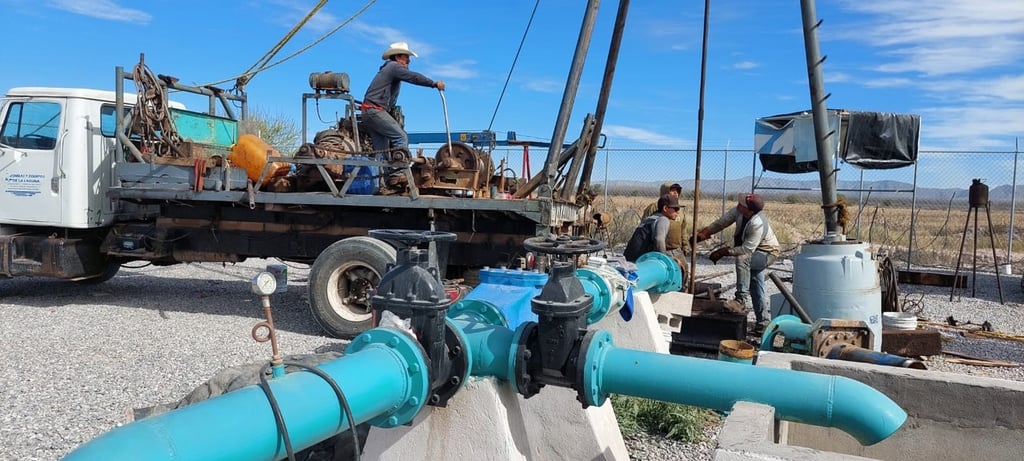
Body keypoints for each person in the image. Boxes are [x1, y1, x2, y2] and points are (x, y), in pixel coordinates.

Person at [693, 193, 780, 332]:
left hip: (767, 254)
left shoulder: (758, 223)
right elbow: (722, 222)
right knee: (755, 283)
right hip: (753, 251)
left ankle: (741, 300)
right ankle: (763, 323)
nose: (739, 205)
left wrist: (722, 252)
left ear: (750, 211)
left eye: (742, 205)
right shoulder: (739, 211)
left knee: (743, 259)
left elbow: (746, 249)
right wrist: (704, 234)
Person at [360, 41, 446, 157]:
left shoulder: (388, 69)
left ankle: (382, 174)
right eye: (406, 57)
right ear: (397, 57)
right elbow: (414, 77)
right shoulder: (394, 66)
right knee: (401, 137)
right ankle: (398, 173)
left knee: (382, 150)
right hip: (374, 110)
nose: (409, 60)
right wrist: (433, 83)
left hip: (368, 111)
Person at [641, 182, 690, 258]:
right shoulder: (653, 208)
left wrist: (685, 245)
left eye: (677, 191)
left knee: (683, 269)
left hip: (676, 250)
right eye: (672, 190)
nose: (676, 193)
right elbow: (644, 229)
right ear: (665, 191)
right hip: (657, 250)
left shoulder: (680, 210)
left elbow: (683, 229)